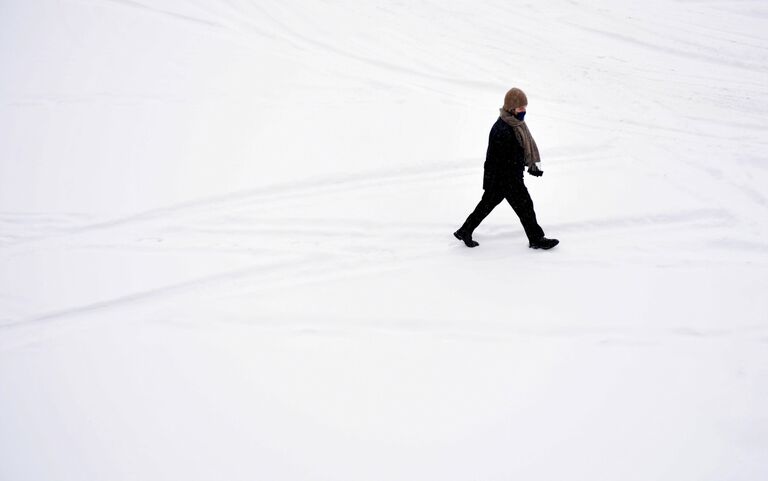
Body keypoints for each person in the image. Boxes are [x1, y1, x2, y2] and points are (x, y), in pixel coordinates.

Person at [454, 87, 559, 250]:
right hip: (504, 179)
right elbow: (502, 161)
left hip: (505, 179)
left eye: (525, 107)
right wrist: (514, 181)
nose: (524, 111)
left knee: (487, 206)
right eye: (521, 107)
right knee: (524, 206)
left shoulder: (516, 125)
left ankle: (464, 230)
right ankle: (536, 239)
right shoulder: (502, 130)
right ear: (511, 108)